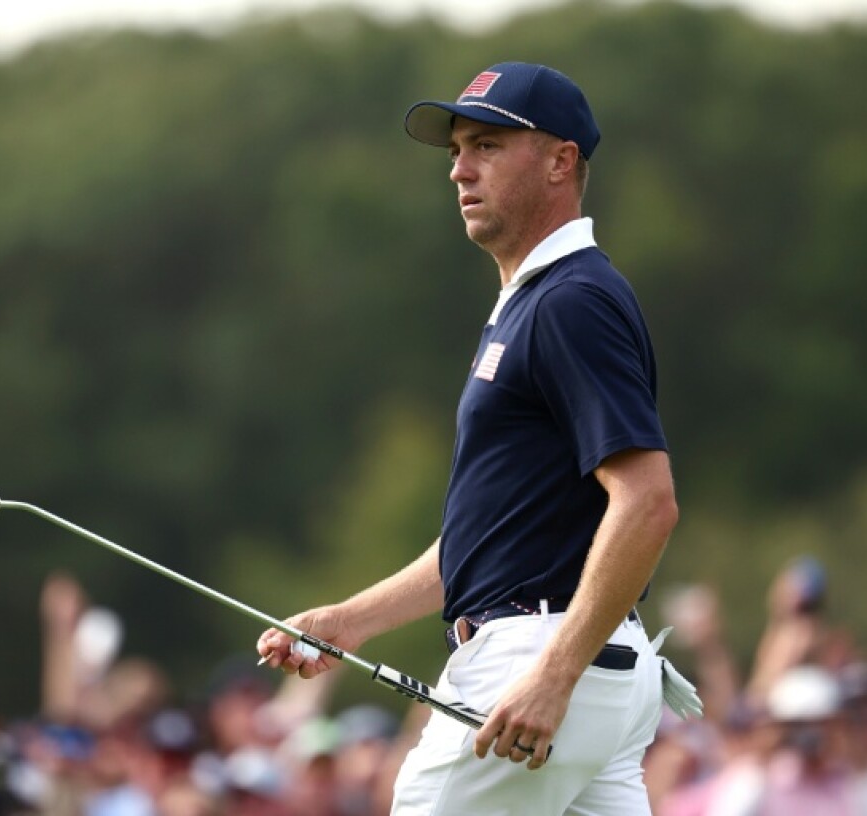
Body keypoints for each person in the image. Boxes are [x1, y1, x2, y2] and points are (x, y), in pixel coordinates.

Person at [258, 61, 694, 815]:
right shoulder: (533, 302)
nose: (459, 169)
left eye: (487, 145)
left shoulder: (570, 301)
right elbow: (488, 538)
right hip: (588, 670)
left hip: (541, 661)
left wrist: (554, 674)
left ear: (561, 161)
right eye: (457, 148)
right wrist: (346, 622)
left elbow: (648, 502)